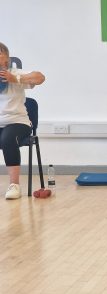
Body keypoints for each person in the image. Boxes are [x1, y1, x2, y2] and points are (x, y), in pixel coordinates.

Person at [0, 42, 45, 199]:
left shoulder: (15, 72)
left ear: (6, 59)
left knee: (7, 138)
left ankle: (14, 185)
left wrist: (15, 78)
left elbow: (40, 77)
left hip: (18, 122)